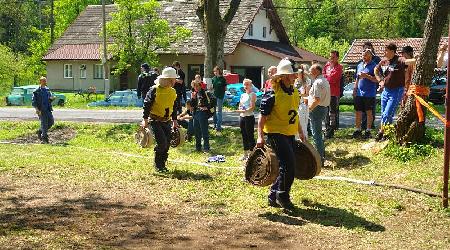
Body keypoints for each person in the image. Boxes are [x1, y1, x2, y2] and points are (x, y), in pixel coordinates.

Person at [257, 58, 305, 209]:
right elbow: (262, 118)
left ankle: (273, 195)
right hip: (275, 133)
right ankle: (282, 196)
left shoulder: (295, 92)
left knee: (287, 166)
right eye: (292, 74)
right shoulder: (272, 94)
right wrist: (260, 136)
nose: (295, 76)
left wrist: (301, 132)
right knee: (288, 166)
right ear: (284, 76)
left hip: (289, 133)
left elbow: (294, 114)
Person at [374, 43, 415, 141]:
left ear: (392, 51)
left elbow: (410, 62)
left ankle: (381, 132)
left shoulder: (399, 60)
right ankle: (386, 134)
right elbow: (376, 69)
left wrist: (416, 58)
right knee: (384, 113)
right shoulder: (384, 61)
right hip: (386, 91)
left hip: (396, 91)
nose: (384, 52)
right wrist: (380, 81)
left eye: (386, 50)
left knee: (387, 114)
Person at [142, 67, 179, 172]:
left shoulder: (172, 91)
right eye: (173, 79)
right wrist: (145, 119)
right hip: (155, 121)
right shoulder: (154, 90)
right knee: (162, 143)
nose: (175, 81)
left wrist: (175, 121)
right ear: (168, 79)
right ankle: (158, 165)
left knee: (167, 143)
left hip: (166, 121)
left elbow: (174, 106)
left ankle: (162, 165)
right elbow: (147, 104)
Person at [352, 49, 378, 139]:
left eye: (366, 55)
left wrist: (366, 76)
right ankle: (358, 130)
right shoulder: (359, 65)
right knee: (358, 112)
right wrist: (355, 88)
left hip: (369, 93)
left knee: (369, 113)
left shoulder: (374, 66)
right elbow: (357, 78)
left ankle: (368, 131)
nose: (363, 57)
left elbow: (376, 79)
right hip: (359, 92)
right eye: (363, 55)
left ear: (370, 56)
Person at [308, 64, 330, 163]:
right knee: (319, 133)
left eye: (311, 70)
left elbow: (317, 99)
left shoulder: (317, 82)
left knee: (316, 135)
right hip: (323, 108)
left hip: (317, 109)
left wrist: (309, 109)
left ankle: (319, 159)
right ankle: (321, 155)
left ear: (317, 71)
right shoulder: (324, 80)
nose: (309, 71)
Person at [361, 42, 382, 130]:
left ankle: (370, 125)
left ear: (372, 49)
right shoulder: (360, 61)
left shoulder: (376, 60)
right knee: (362, 108)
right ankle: (363, 124)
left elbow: (379, 72)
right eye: (365, 48)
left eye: (369, 48)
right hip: (362, 89)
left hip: (372, 87)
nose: (367, 50)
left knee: (370, 108)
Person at [323, 50, 343, 139]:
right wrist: (327, 76)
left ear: (337, 58)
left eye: (333, 57)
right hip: (325, 93)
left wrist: (327, 77)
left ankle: (331, 130)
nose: (331, 59)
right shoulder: (326, 66)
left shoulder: (339, 67)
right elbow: (322, 76)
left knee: (332, 113)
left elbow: (333, 79)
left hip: (334, 93)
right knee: (325, 112)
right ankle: (327, 129)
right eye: (330, 57)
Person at [235, 78, 257, 161]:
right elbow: (240, 105)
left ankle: (253, 155)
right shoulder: (242, 95)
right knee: (244, 136)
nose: (246, 86)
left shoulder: (253, 94)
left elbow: (252, 107)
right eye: (244, 84)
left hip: (249, 117)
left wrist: (245, 110)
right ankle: (245, 154)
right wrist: (240, 110)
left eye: (247, 84)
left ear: (251, 85)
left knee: (250, 136)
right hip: (242, 117)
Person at [32, 76, 55, 144]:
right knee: (44, 124)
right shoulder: (37, 91)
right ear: (40, 82)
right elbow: (34, 101)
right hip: (41, 110)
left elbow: (49, 99)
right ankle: (44, 138)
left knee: (51, 122)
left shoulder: (47, 90)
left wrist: (52, 98)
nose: (45, 82)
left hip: (48, 109)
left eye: (45, 81)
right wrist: (37, 109)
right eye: (43, 81)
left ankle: (40, 131)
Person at [191, 80, 211, 152]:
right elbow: (192, 106)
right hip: (196, 113)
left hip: (203, 113)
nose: (195, 88)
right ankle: (198, 148)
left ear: (200, 85)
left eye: (197, 86)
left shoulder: (205, 92)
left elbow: (213, 101)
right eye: (194, 86)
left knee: (204, 131)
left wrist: (207, 107)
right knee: (196, 131)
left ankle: (206, 147)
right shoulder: (194, 93)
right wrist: (193, 98)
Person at [294, 64, 311, 139]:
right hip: (295, 104)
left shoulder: (307, 81)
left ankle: (304, 141)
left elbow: (307, 94)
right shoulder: (295, 81)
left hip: (303, 105)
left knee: (303, 124)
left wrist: (299, 94)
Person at [212, 66, 227, 132]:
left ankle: (219, 126)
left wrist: (222, 90)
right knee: (213, 111)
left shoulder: (223, 79)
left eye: (216, 71)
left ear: (219, 71)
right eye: (214, 71)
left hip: (220, 96)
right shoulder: (213, 79)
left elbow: (225, 88)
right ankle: (215, 125)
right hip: (214, 96)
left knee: (219, 112)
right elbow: (212, 87)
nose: (215, 72)